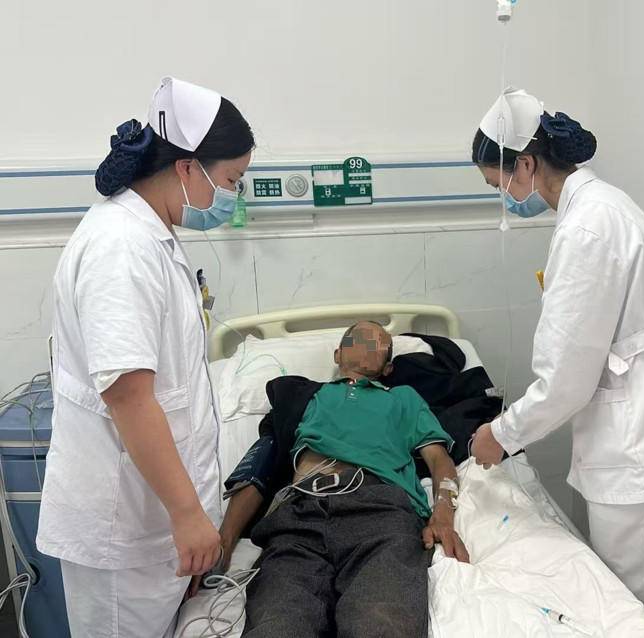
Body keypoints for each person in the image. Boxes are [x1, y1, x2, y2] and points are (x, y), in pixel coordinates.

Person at [468, 88, 644, 637]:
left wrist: (501, 434)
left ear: (526, 164)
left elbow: (566, 380)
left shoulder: (588, 229)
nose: (507, 201)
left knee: (638, 621)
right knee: (636, 617)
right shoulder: (603, 208)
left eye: (501, 186)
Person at [37, 77, 254, 637]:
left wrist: (193, 515)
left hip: (152, 526)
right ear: (187, 168)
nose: (233, 196)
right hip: (124, 531)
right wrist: (187, 515)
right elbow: (130, 399)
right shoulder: (120, 249)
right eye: (232, 180)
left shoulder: (150, 234)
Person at [213, 321, 469, 638]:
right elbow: (258, 466)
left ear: (388, 367)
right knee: (277, 627)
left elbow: (439, 459)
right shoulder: (303, 397)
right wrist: (224, 541)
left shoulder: (404, 399)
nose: (367, 341)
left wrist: (443, 513)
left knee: (381, 626)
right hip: (299, 518)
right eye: (357, 338)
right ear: (337, 354)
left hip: (381, 514)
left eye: (378, 342)